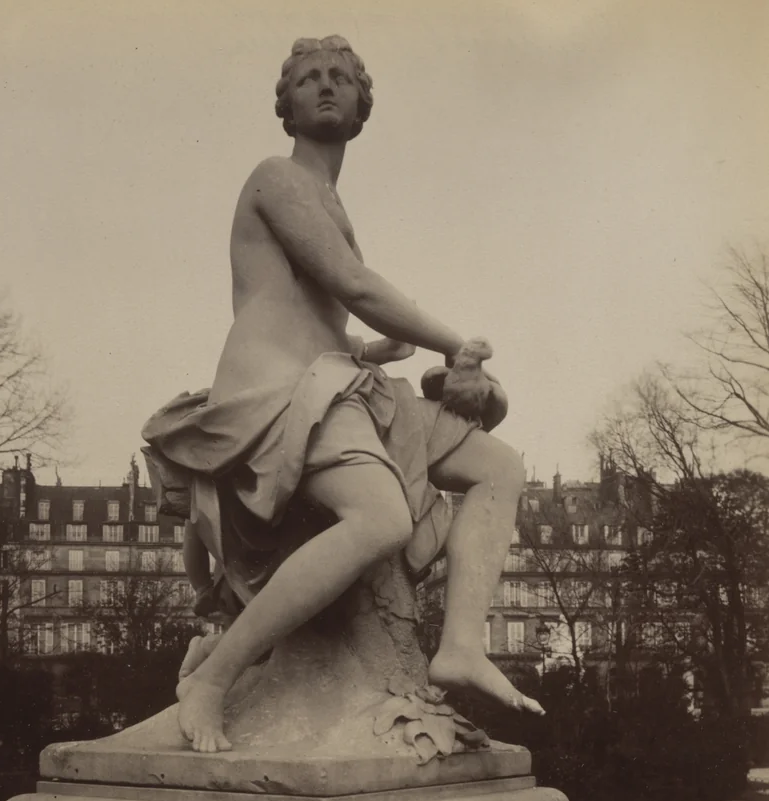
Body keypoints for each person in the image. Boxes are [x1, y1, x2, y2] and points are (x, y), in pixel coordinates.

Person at [143, 35, 542, 752]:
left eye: (339, 78)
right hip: (277, 393)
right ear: (285, 104)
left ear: (362, 103)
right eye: (307, 79)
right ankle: (213, 681)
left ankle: (459, 647)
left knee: (498, 467)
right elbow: (354, 287)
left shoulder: (326, 199)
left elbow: (315, 311)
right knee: (382, 517)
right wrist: (454, 344)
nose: (324, 87)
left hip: (337, 381)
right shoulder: (276, 177)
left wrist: (366, 350)